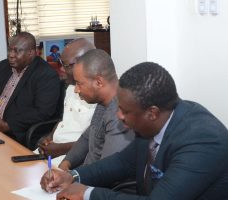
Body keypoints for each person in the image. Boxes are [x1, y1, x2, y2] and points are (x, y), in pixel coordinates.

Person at [40, 62, 228, 200]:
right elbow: (123, 162)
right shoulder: (155, 122)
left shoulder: (202, 141)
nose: (119, 115)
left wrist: (88, 193)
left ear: (152, 113)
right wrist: (72, 176)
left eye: (126, 111)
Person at [57, 49, 135, 170]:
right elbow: (87, 137)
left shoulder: (120, 114)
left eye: (79, 83)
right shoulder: (102, 102)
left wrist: (71, 178)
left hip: (102, 184)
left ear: (98, 82)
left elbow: (107, 171)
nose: (76, 90)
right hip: (88, 176)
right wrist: (66, 163)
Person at [0, 32, 60, 146]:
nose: (11, 55)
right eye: (9, 50)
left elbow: (43, 112)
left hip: (15, 133)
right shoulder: (3, 66)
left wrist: (7, 125)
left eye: (17, 51)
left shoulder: (45, 74)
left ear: (31, 53)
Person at [37, 38, 97, 166]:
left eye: (66, 65)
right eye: (60, 63)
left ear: (85, 64)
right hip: (54, 149)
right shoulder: (70, 87)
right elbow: (63, 120)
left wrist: (60, 149)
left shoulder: (98, 95)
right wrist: (50, 137)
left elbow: (94, 143)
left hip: (73, 157)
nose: (62, 70)